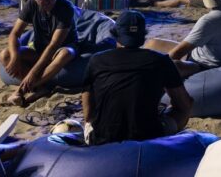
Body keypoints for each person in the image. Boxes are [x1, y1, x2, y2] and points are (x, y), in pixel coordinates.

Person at [81, 11, 190, 144]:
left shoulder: (96, 61)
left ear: (115, 34)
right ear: (143, 36)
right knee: (181, 110)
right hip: (149, 137)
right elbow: (184, 104)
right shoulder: (161, 60)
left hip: (103, 139)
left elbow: (88, 114)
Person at [0, 0, 81, 106]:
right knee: (5, 54)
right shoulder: (31, 5)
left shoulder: (66, 8)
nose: (46, 1)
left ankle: (24, 89)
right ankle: (41, 88)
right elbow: (14, 33)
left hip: (60, 49)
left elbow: (54, 45)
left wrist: (33, 73)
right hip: (39, 49)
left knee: (66, 53)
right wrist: (15, 57)